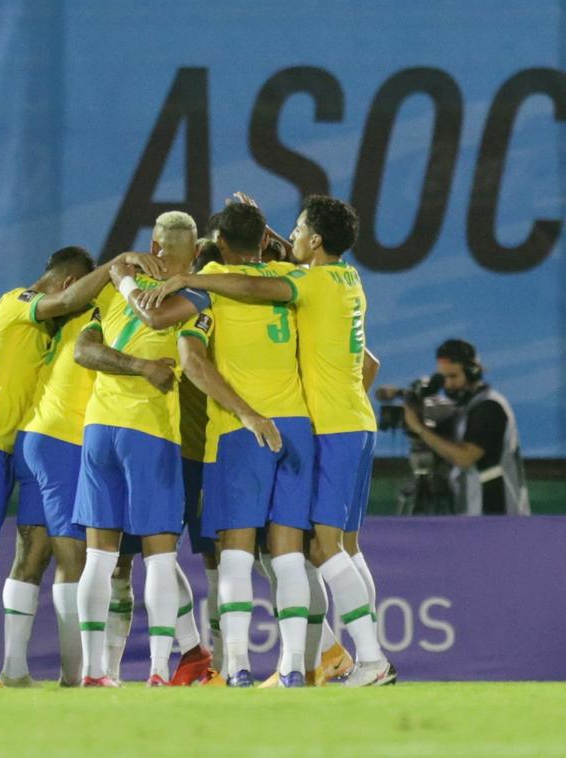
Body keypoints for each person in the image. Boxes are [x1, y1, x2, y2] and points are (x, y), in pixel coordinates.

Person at [156, 195, 395, 686]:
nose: (295, 235)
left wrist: (190, 277)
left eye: (301, 228)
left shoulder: (257, 290)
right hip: (325, 425)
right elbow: (369, 363)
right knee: (321, 548)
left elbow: (201, 336)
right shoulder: (337, 279)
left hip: (284, 428)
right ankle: (299, 666)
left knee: (297, 550)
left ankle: (362, 660)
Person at [0, 247, 166, 691]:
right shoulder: (18, 302)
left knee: (32, 555)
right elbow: (66, 305)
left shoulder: (49, 330)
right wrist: (117, 267)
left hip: (17, 442)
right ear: (68, 284)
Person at [121, 202, 310, 687]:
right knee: (288, 554)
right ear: (266, 241)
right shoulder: (290, 278)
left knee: (235, 553)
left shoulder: (209, 294)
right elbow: (302, 261)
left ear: (218, 244)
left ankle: (238, 666)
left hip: (237, 431)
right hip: (297, 426)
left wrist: (122, 271)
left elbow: (168, 331)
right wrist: (268, 235)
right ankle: (292, 668)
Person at [71, 211, 228, 688]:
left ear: (155, 246)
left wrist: (121, 277)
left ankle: (94, 672)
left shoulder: (124, 289)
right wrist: (141, 365)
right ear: (194, 254)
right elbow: (84, 349)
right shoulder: (198, 297)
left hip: (99, 429)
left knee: (99, 557)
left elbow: (90, 348)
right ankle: (159, 670)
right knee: (160, 557)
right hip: (150, 432)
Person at [404, 339, 529, 516]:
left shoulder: (489, 407)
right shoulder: (467, 408)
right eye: (443, 377)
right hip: (475, 512)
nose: (447, 385)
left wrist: (420, 428)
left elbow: (465, 457)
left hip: (497, 515)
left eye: (453, 376)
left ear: (472, 373)